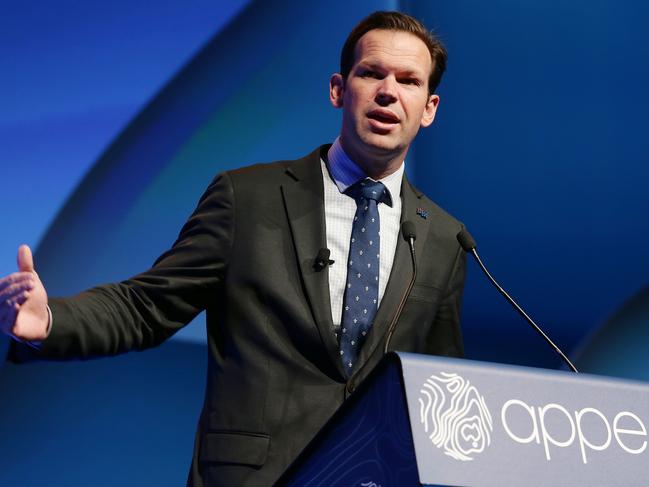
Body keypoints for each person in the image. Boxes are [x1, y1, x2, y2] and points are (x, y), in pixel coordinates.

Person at [0, 11, 466, 487]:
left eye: (408, 81)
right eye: (371, 73)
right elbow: (146, 306)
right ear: (338, 90)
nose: (388, 91)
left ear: (428, 108)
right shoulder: (248, 198)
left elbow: (441, 387)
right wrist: (49, 321)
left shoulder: (446, 239)